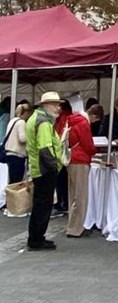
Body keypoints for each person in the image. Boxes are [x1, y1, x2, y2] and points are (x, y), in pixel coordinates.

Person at [25, 92, 64, 251]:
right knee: (43, 205)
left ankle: (36, 238)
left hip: (38, 168)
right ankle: (36, 240)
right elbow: (45, 148)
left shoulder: (35, 118)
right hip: (44, 170)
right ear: (46, 105)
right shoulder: (43, 122)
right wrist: (54, 166)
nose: (58, 108)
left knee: (40, 205)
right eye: (55, 104)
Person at [60, 102, 96, 238]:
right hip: (81, 160)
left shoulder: (71, 120)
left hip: (71, 158)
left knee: (72, 194)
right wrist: (94, 151)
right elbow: (88, 145)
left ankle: (72, 225)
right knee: (81, 196)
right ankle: (76, 228)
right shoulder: (83, 123)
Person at [4, 101, 31, 187]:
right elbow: (22, 138)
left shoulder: (12, 121)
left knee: (11, 180)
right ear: (25, 113)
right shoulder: (21, 122)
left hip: (9, 153)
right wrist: (31, 138)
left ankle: (9, 198)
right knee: (16, 182)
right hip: (17, 154)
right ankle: (14, 199)